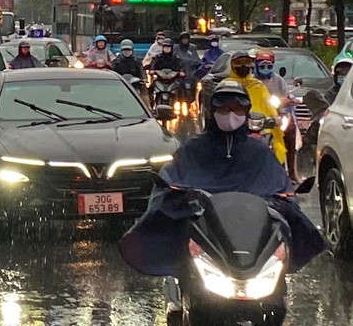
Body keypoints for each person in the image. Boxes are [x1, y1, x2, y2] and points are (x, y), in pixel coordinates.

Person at [119, 81, 326, 310]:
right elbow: (171, 180)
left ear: (246, 112)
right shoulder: (193, 149)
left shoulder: (258, 151)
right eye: (224, 108)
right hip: (208, 226)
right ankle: (184, 294)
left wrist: (284, 199)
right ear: (212, 111)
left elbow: (278, 184)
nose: (231, 114)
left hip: (249, 229)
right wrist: (175, 194)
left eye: (237, 109)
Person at [223, 50, 285, 165]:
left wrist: (276, 118)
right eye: (238, 63)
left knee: (273, 143)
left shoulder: (258, 85)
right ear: (232, 65)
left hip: (258, 125)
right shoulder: (227, 85)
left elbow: (268, 104)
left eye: (246, 62)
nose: (243, 66)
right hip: (233, 127)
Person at [254, 49, 301, 182]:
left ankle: (292, 172)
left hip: (278, 117)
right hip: (256, 118)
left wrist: (290, 100)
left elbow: (287, 95)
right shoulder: (252, 81)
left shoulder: (279, 81)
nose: (265, 68)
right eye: (262, 66)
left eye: (269, 66)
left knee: (291, 131)